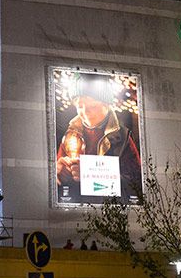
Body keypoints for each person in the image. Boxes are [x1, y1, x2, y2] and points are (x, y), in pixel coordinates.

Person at [54, 73, 142, 203]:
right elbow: (55, 182)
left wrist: (90, 176)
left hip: (110, 212)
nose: (85, 112)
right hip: (75, 212)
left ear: (107, 106)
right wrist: (59, 174)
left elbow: (136, 183)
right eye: (80, 106)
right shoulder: (70, 135)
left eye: (93, 106)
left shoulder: (122, 138)